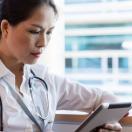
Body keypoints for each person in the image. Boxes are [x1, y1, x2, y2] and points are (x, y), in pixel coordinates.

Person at [0, 0, 122, 131]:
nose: (43, 43)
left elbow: (106, 98)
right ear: (6, 28)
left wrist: (108, 122)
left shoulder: (43, 79)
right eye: (34, 31)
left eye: (49, 32)